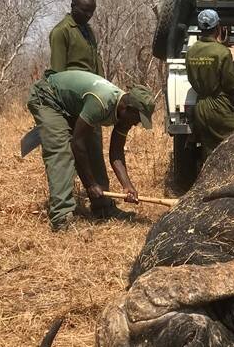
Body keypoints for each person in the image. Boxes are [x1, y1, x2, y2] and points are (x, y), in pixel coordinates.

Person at [27, 70, 154, 232]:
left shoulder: (125, 113)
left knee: (93, 146)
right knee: (61, 151)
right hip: (48, 98)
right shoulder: (101, 102)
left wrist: (127, 186)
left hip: (74, 106)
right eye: (138, 119)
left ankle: (102, 207)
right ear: (128, 108)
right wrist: (90, 184)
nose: (136, 124)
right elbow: (77, 144)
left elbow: (116, 152)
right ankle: (61, 217)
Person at [46, 0, 113, 215]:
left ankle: (103, 201)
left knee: (95, 149)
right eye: (84, 11)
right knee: (77, 151)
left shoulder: (88, 30)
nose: (88, 16)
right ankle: (74, 206)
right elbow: (56, 75)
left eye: (91, 12)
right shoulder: (61, 32)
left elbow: (95, 64)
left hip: (93, 97)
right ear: (73, 6)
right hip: (74, 100)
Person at [185, 9, 234, 155]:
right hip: (219, 108)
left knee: (211, 153)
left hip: (200, 109)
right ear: (218, 27)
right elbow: (233, 85)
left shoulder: (191, 51)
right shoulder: (222, 52)